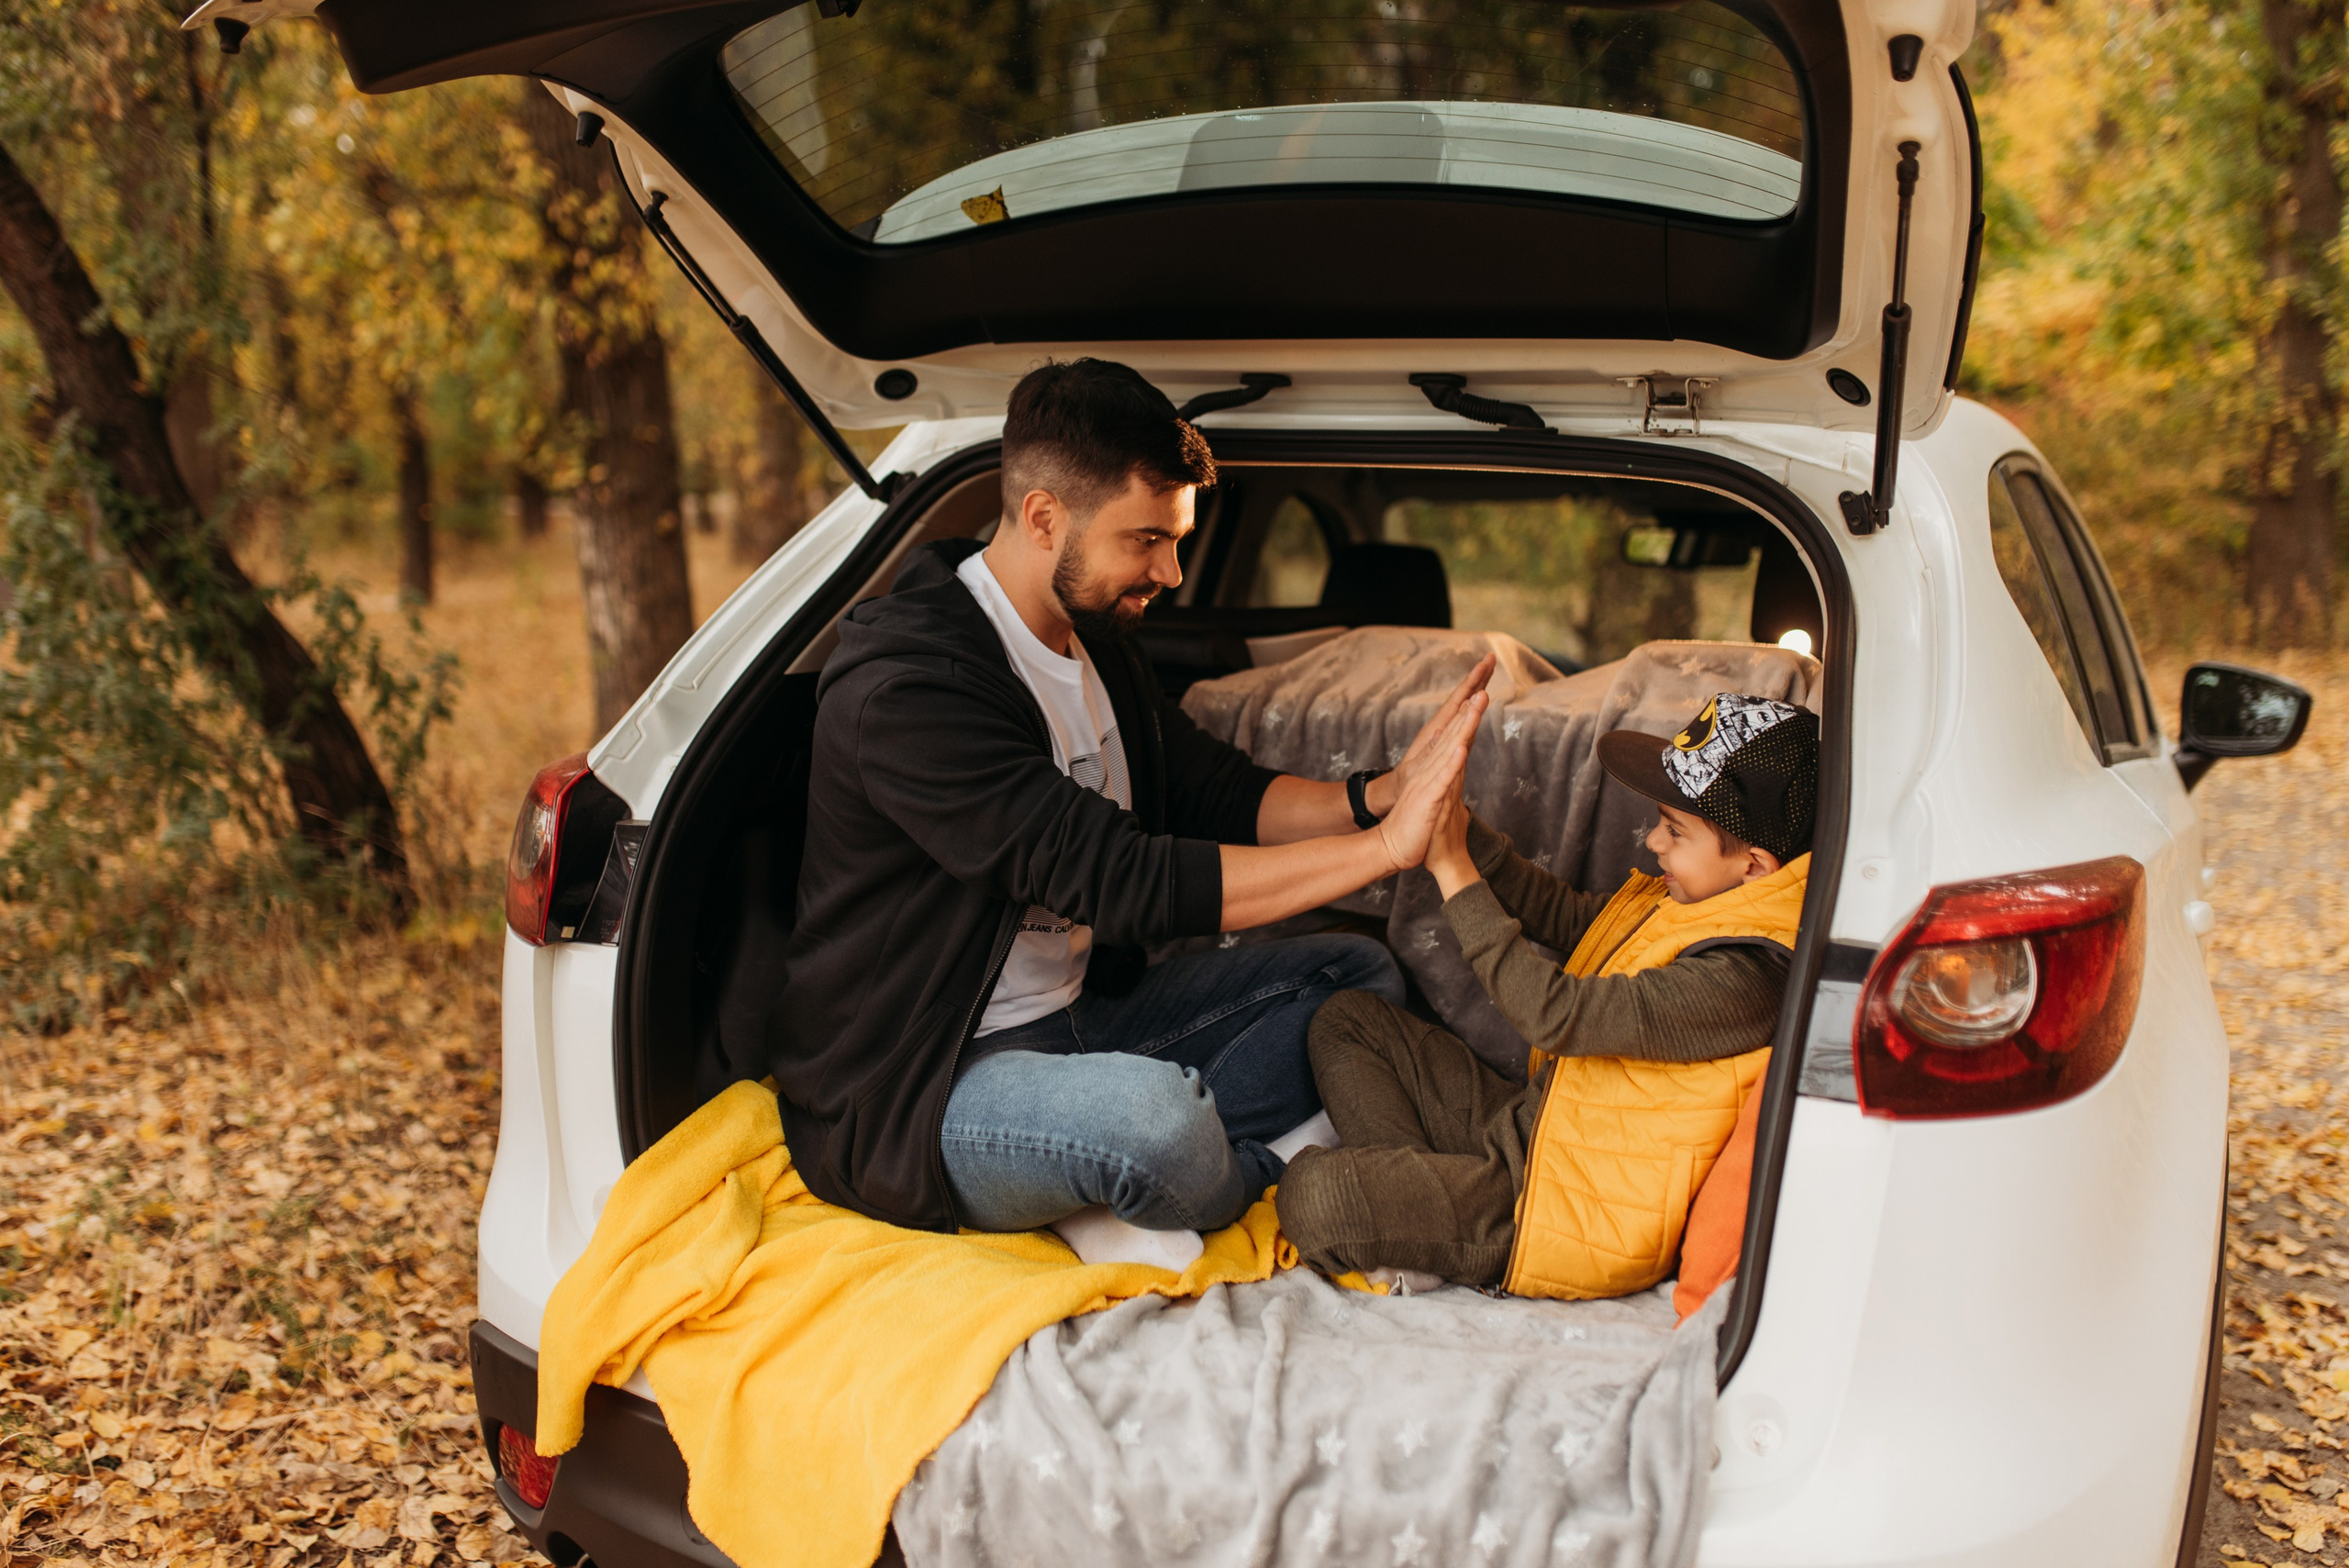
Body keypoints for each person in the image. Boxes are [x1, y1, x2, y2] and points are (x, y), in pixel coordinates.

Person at [767, 358, 1492, 1237]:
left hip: (1089, 1014)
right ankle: (1261, 1171)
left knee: (1358, 974)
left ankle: (1150, 1174)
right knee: (1159, 1128)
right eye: (1147, 539)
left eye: (1176, 540)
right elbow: (1120, 879)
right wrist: (1382, 851)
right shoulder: (911, 689)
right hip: (928, 1083)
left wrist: (1380, 794)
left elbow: (1209, 789)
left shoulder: (1096, 635)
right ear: (1044, 517)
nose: (1172, 572)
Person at [1275, 693, 1817, 1298]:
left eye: (1675, 830)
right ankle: (1419, 1222)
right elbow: (1563, 914)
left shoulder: (1745, 975)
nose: (1653, 842)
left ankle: (1417, 1221)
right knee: (1347, 1019)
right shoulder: (1696, 899)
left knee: (1315, 1195)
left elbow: (1554, 1014)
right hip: (1540, 1131)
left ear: (1754, 865)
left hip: (1562, 1211)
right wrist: (1454, 823)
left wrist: (1454, 871)